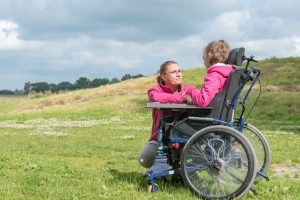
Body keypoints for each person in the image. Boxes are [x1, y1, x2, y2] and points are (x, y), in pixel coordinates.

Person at [138, 61, 195, 168]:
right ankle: (160, 167)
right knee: (144, 158)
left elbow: (201, 97)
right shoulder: (155, 90)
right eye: (174, 72)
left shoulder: (188, 89)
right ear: (163, 76)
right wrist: (181, 98)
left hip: (184, 138)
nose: (178, 74)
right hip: (159, 139)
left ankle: (182, 172)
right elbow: (155, 98)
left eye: (179, 71)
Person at [186, 39, 235, 107]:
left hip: (209, 115)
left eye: (203, 57)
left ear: (209, 55)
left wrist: (191, 89)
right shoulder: (227, 74)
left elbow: (203, 101)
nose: (203, 60)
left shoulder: (214, 75)